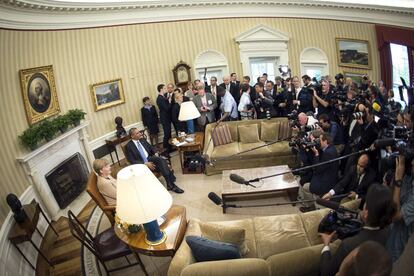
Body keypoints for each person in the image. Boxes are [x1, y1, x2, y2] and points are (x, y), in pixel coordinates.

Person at [320, 184, 395, 276]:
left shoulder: (348, 245)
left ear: (366, 213)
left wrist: (326, 245)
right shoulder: (389, 232)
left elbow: (326, 273)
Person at [124, 128, 184, 193]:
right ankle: (171, 184)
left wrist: (156, 152)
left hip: (149, 158)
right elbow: (132, 160)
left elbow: (151, 148)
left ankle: (170, 184)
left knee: (161, 160)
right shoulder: (128, 146)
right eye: (137, 133)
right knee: (163, 164)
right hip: (141, 164)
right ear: (132, 136)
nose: (140, 134)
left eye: (139, 132)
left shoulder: (142, 140)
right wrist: (145, 164)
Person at [299, 133, 339, 212]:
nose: (318, 142)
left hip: (326, 182)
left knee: (306, 187)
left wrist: (316, 154)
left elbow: (317, 169)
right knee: (306, 181)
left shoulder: (328, 153)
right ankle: (312, 205)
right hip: (327, 176)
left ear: (325, 141)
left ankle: (311, 207)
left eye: (319, 140)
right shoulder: (330, 149)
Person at [387, 155, 414, 262]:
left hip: (400, 252)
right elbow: (392, 201)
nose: (412, 162)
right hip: (390, 237)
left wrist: (398, 179)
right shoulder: (409, 178)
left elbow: (395, 215)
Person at [156, 84, 172, 155]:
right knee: (167, 134)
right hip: (165, 118)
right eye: (165, 88)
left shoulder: (163, 97)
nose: (166, 89)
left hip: (167, 118)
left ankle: (169, 149)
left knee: (169, 134)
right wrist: (170, 102)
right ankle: (165, 151)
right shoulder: (160, 98)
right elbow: (167, 108)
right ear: (161, 89)